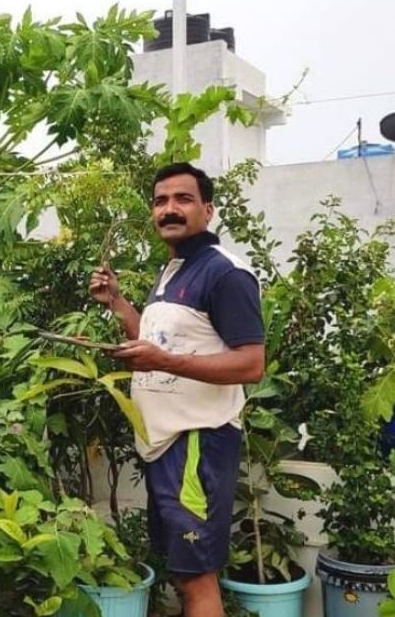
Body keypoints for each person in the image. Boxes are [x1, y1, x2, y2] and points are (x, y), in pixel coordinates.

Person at [89, 162, 264, 617]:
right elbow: (157, 341)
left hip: (198, 443)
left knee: (195, 580)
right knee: (181, 570)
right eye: (161, 200)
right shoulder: (174, 270)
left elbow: (252, 363)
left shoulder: (226, 274)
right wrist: (119, 304)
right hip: (164, 445)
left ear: (207, 210)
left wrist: (163, 361)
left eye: (183, 199)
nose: (170, 209)